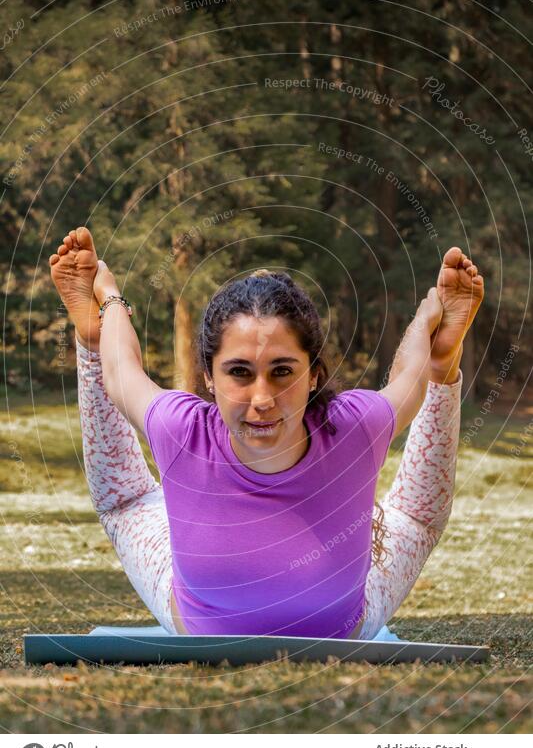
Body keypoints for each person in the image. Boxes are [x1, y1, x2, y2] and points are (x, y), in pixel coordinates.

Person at [49, 228, 483, 638]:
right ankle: (90, 334)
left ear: (313, 375)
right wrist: (107, 306)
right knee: (123, 499)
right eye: (240, 372)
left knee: (417, 513)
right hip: (192, 616)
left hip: (349, 622)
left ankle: (446, 362)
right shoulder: (183, 430)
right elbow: (119, 370)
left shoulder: (353, 428)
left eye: (282, 372)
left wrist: (435, 350)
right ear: (209, 378)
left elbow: (409, 379)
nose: (262, 398)